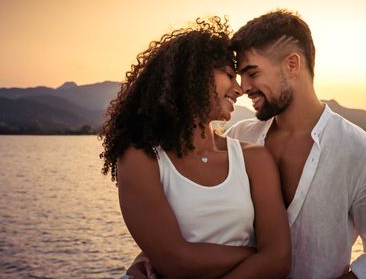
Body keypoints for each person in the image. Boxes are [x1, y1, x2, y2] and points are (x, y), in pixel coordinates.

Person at [99, 17, 291, 278]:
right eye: (229, 75)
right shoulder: (140, 158)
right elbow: (176, 261)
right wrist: (256, 254)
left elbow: (279, 261)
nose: (239, 89)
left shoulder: (253, 158)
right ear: (194, 76)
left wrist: (268, 256)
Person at [225, 10, 366, 278]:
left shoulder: (361, 151)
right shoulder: (236, 138)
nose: (243, 87)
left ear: (292, 65)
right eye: (241, 75)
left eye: (252, 73)